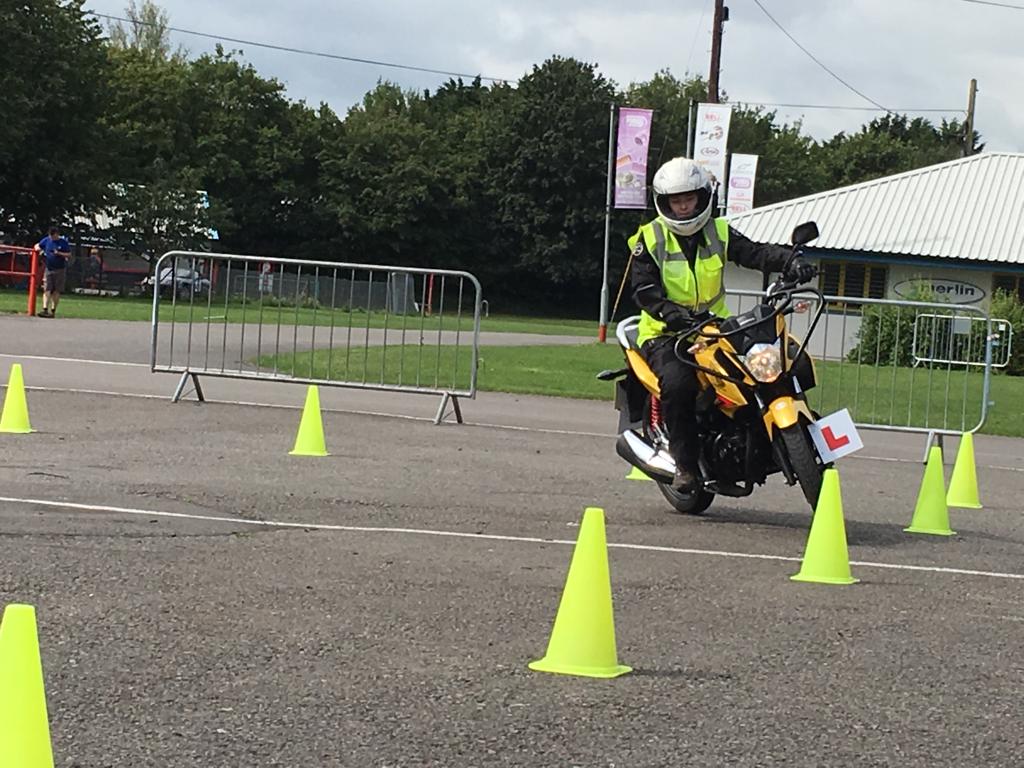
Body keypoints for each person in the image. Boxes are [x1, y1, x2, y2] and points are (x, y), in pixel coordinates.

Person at [628, 157, 816, 492]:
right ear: (665, 203)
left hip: (714, 327)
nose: (683, 207)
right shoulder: (650, 237)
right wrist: (671, 313)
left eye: (689, 199)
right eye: (676, 200)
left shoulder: (718, 230)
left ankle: (776, 434)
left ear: (702, 198)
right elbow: (644, 290)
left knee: (778, 362)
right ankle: (685, 465)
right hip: (665, 332)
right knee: (679, 384)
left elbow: (755, 252)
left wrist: (791, 261)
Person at [34, 226, 72, 318]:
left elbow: (69, 254)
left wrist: (59, 253)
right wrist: (38, 249)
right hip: (49, 268)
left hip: (60, 269)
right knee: (47, 289)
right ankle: (45, 309)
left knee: (56, 290)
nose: (51, 237)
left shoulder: (63, 242)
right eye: (50, 235)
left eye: (53, 235)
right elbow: (37, 245)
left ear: (57, 234)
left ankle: (53, 311)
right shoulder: (47, 240)